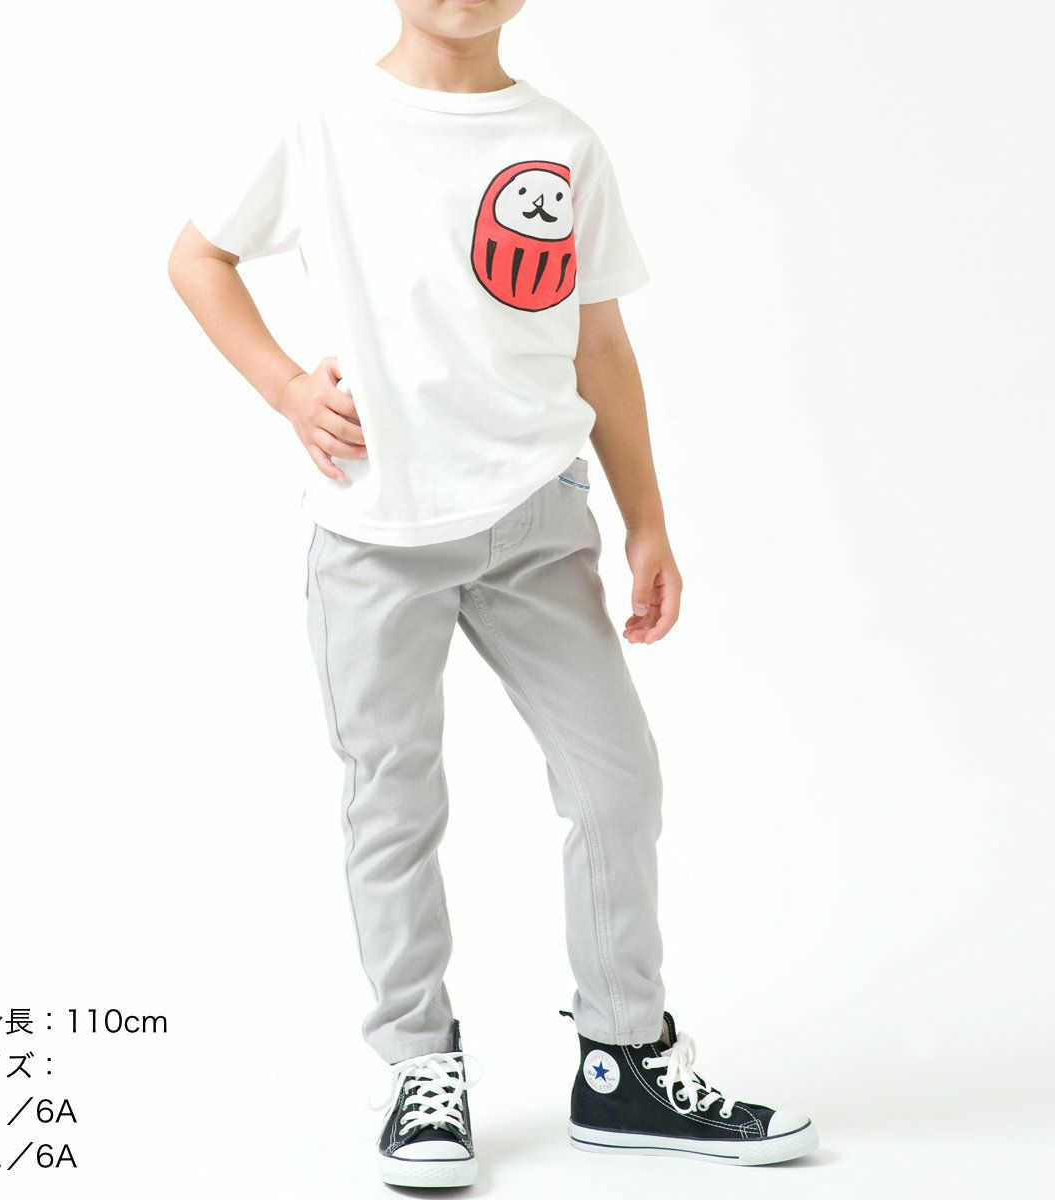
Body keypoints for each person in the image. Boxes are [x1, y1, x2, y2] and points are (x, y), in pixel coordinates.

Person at [169, 0, 817, 1186]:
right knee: (394, 802)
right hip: (374, 529)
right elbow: (197, 256)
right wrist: (285, 389)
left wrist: (647, 518)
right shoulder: (325, 122)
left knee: (616, 781)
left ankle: (623, 1061)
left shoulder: (560, 142)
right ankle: (419, 1064)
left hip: (535, 519)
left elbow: (598, 340)